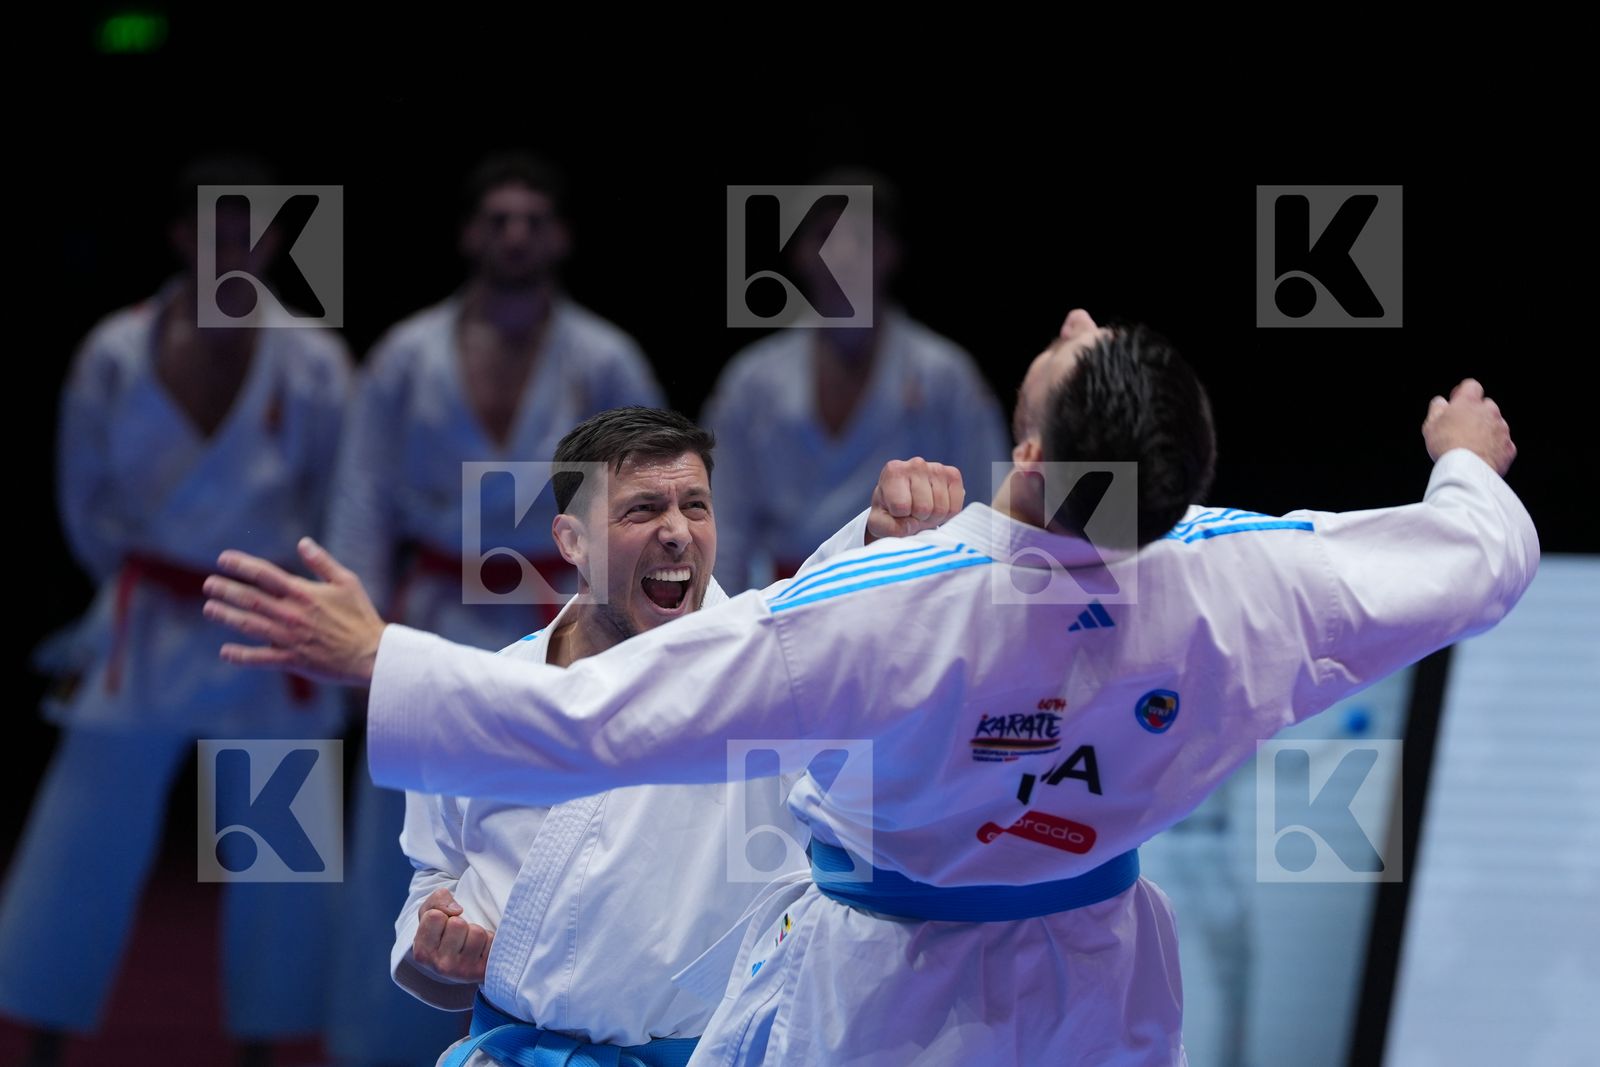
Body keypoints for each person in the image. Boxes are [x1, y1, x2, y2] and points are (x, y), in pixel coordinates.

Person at [205, 308, 1536, 1065]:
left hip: (884, 992)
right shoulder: (1249, 576)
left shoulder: (897, 602)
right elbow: (1476, 563)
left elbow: (599, 713)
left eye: (1066, 348)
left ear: (1027, 455)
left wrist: (380, 654)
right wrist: (1466, 462)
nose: (1075, 321)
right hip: (1096, 973)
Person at [393, 406, 963, 1065]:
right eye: (642, 510)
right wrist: (436, 940)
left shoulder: (763, 675)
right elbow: (435, 868)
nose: (677, 533)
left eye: (695, 505)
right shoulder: (484, 695)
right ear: (572, 540)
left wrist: (877, 534)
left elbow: (821, 615)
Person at [0, 156, 350, 1067]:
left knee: (281, 858)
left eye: (247, 232)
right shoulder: (116, 349)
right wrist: (145, 575)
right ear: (179, 237)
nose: (229, 248)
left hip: (266, 617)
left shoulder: (314, 359)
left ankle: (269, 1041)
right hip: (147, 616)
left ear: (274, 242)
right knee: (82, 838)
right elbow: (82, 496)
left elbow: (337, 500)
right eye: (212, 231)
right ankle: (40, 1031)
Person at [323, 153, 666, 1067]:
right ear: (471, 234)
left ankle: (543, 1031)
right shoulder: (405, 357)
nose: (516, 236)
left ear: (560, 237)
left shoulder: (603, 357)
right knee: (406, 853)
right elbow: (362, 495)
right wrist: (358, 644)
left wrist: (661, 624)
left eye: (533, 220)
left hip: (569, 624)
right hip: (434, 612)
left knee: (553, 830)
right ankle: (376, 1049)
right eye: (499, 219)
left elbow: (653, 496)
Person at [704, 168, 1009, 590]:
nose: (843, 255)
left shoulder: (947, 379)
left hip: (911, 593)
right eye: (826, 237)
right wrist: (722, 615)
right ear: (801, 254)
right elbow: (724, 524)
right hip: (779, 598)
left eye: (862, 239)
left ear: (891, 253)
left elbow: (991, 512)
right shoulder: (751, 383)